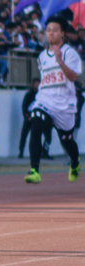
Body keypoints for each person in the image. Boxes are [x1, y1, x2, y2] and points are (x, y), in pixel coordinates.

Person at [24, 17, 82, 184]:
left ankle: (75, 162)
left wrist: (60, 61)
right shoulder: (42, 56)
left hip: (64, 105)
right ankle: (34, 170)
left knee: (67, 141)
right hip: (45, 100)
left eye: (55, 30)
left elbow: (72, 76)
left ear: (62, 33)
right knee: (36, 124)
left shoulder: (70, 53)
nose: (50, 33)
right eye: (48, 30)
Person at [18, 78, 41, 158]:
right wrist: (27, 116)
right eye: (35, 83)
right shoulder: (28, 95)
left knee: (36, 137)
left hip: (37, 118)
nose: (36, 85)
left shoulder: (41, 95)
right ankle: (21, 151)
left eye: (38, 83)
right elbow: (24, 106)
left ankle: (36, 152)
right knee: (24, 135)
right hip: (29, 118)